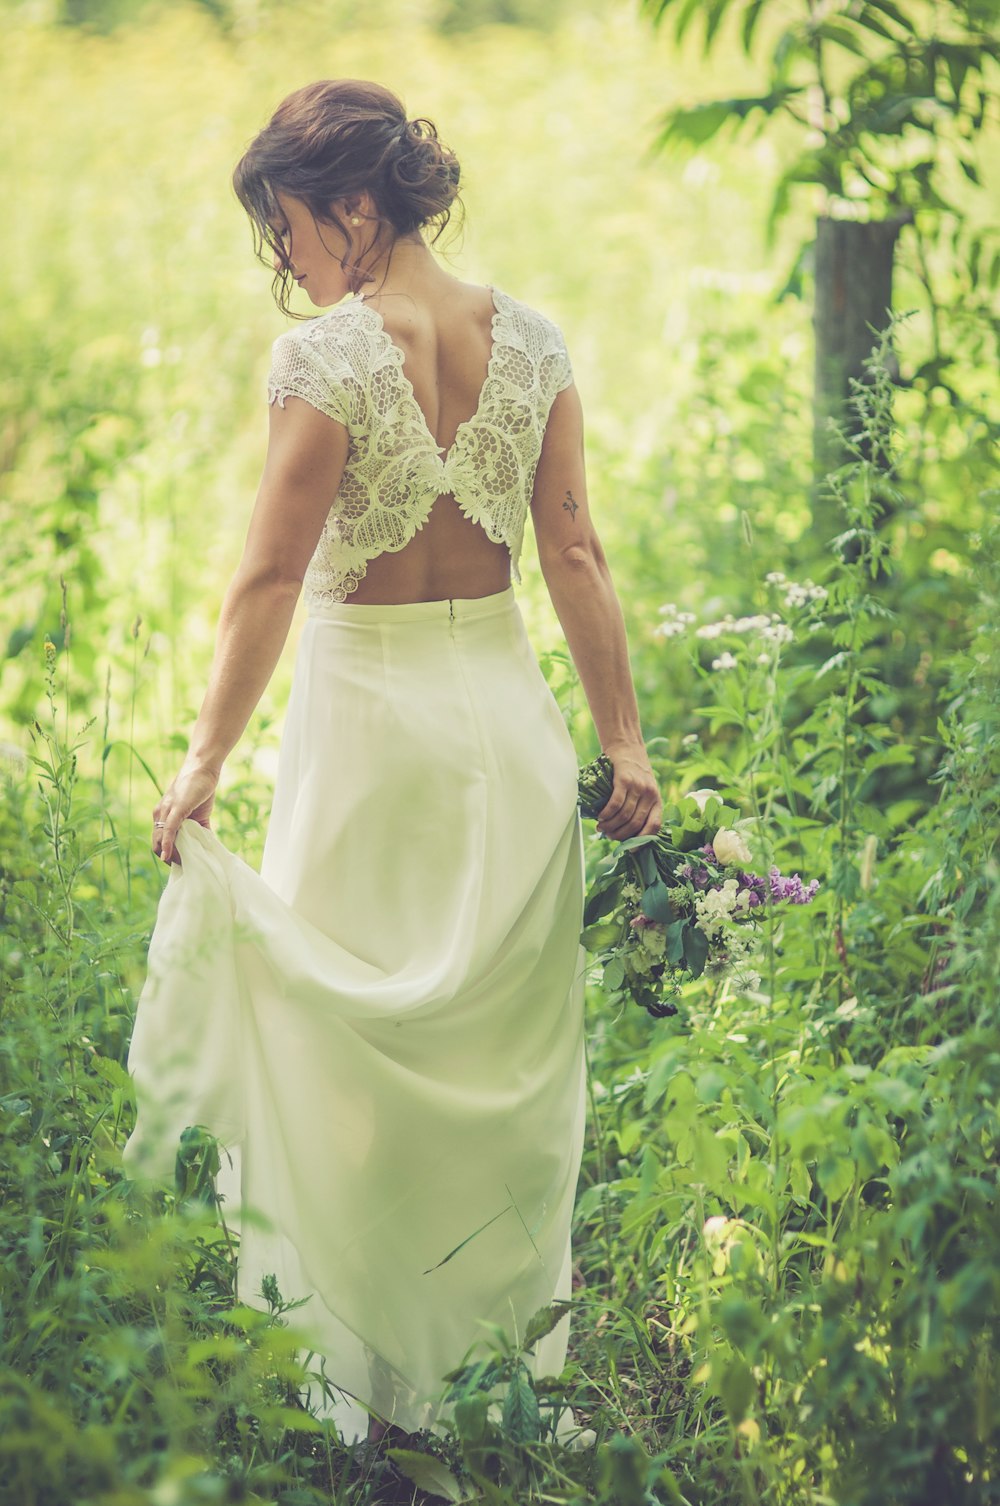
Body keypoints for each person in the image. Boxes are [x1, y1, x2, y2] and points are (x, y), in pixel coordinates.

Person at [121, 79, 660, 1445]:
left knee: (350, 1052)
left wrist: (201, 763)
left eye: (293, 228)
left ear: (355, 207)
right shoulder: (532, 345)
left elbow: (266, 578)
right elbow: (576, 555)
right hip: (506, 737)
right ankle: (489, 1373)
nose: (291, 262)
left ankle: (372, 1388)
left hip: (366, 743)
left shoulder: (328, 363)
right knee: (500, 1071)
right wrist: (623, 743)